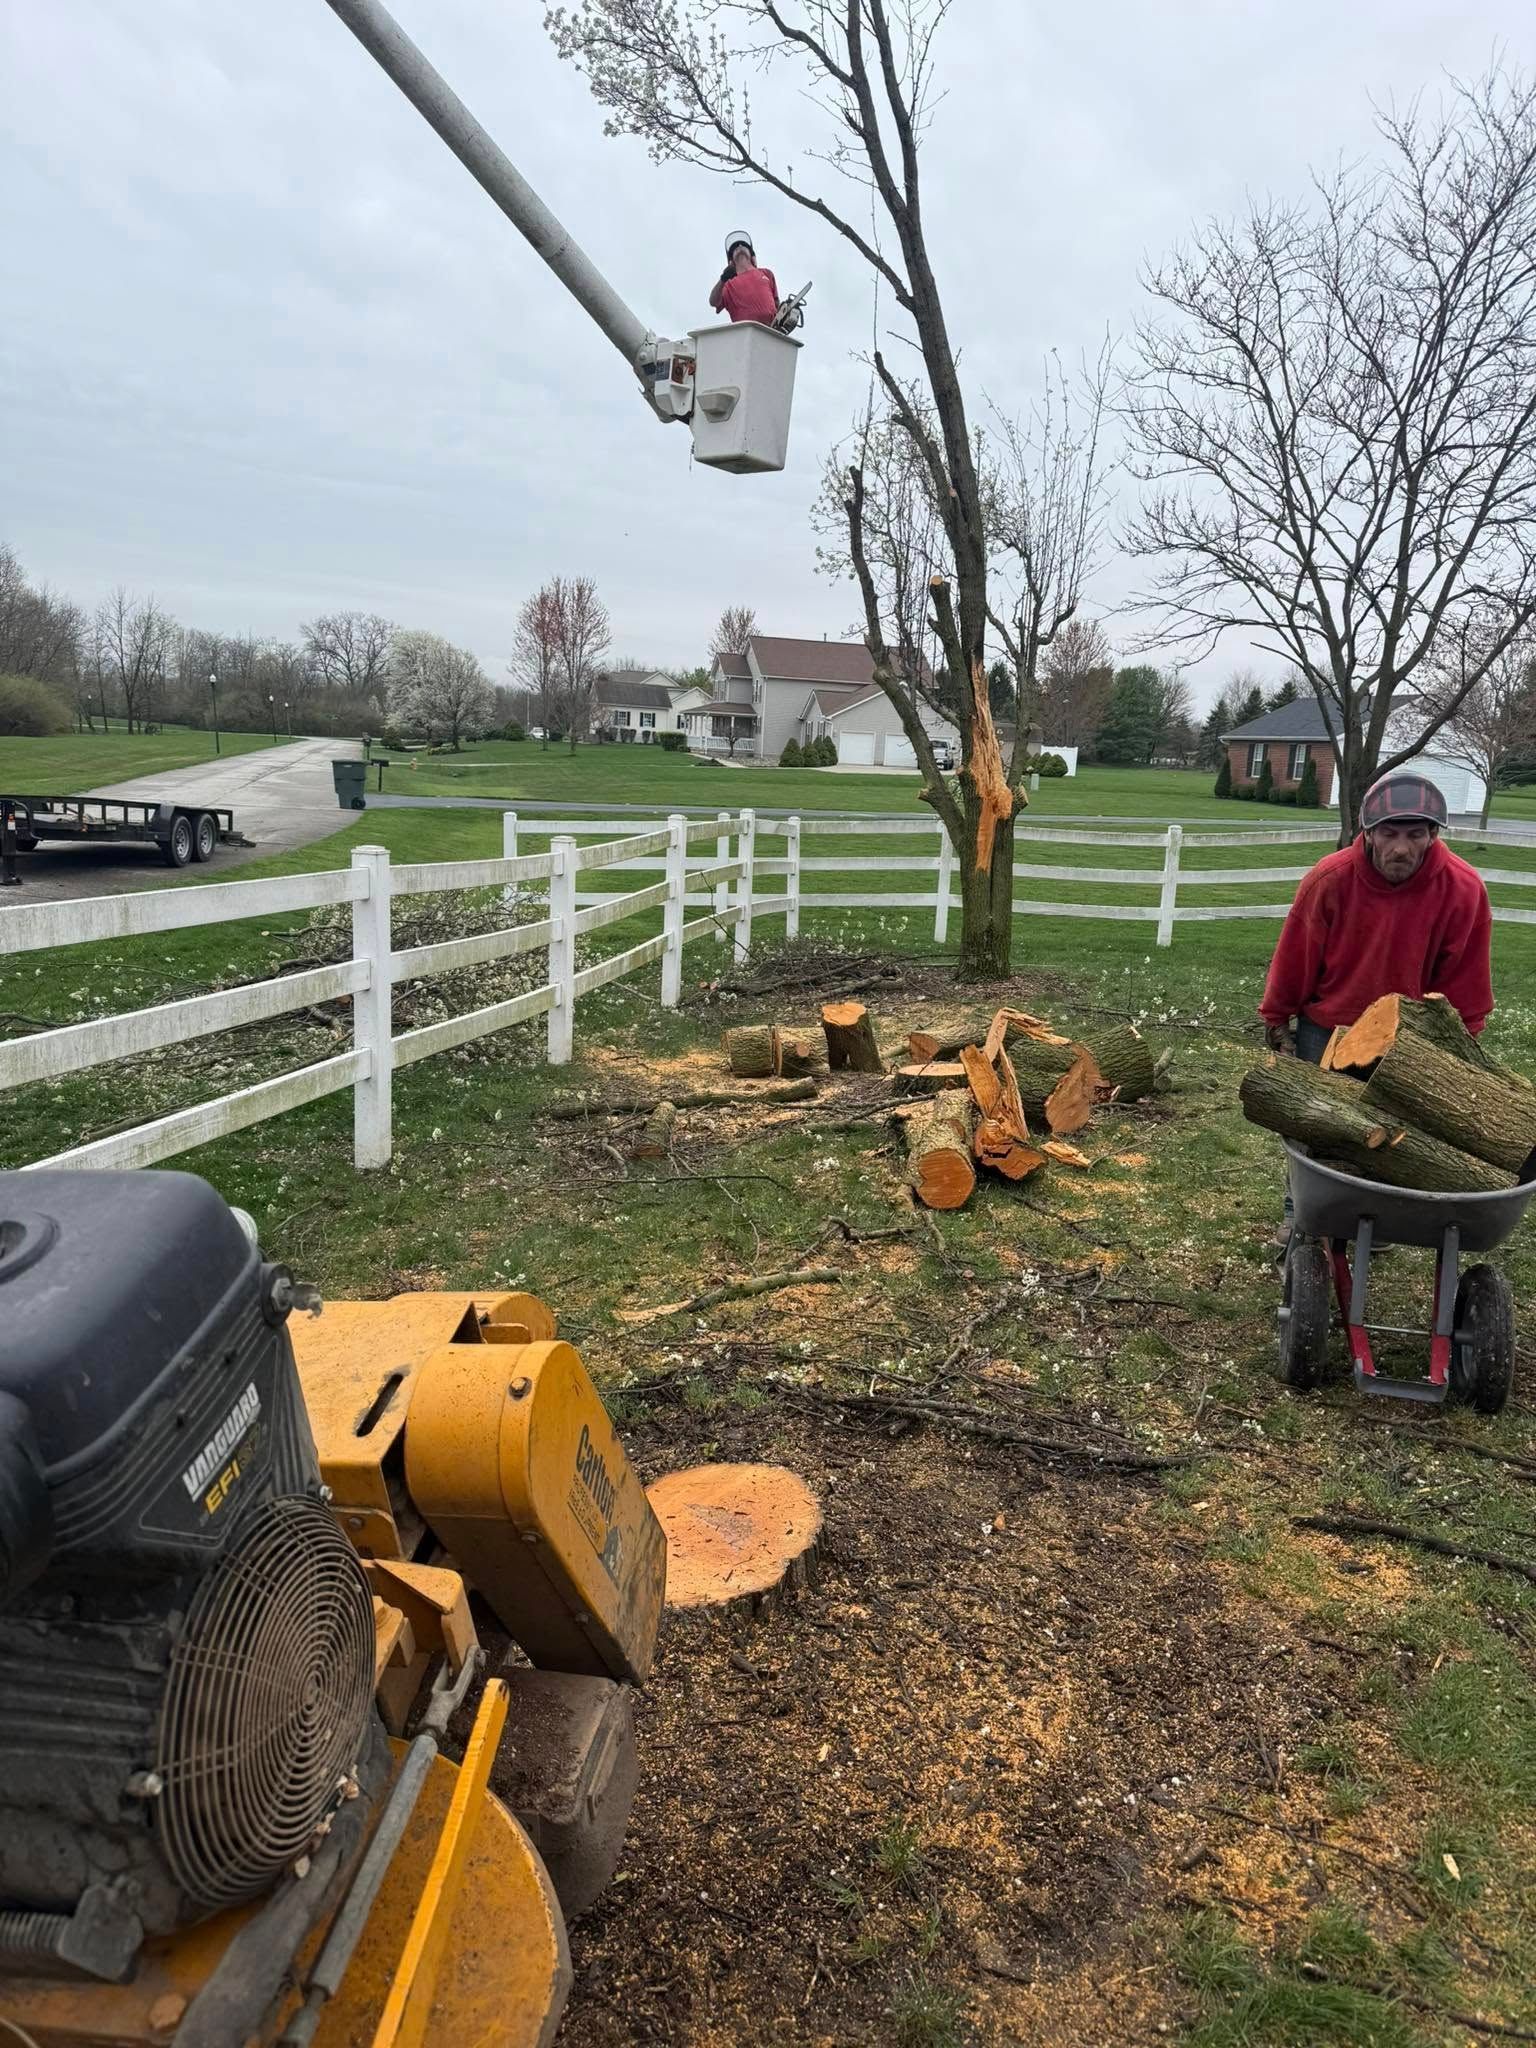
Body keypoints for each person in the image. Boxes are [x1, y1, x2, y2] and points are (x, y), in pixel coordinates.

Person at [1259, 769, 1493, 1067]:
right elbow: (1297, 956)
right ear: (1368, 833)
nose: (1400, 849)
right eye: (1389, 834)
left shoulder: (1463, 889)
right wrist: (1276, 1017)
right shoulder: (1329, 880)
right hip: (1328, 1028)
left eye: (1415, 835)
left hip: (1410, 1037)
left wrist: (1466, 1036)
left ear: (1433, 835)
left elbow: (1466, 976)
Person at [709, 231, 779, 326]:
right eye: (735, 248)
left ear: (752, 256)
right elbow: (713, 302)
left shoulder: (766, 273)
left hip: (772, 330)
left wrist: (786, 312)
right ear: (731, 261)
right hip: (745, 332)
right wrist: (723, 279)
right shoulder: (728, 284)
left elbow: (776, 304)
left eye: (744, 245)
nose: (740, 246)